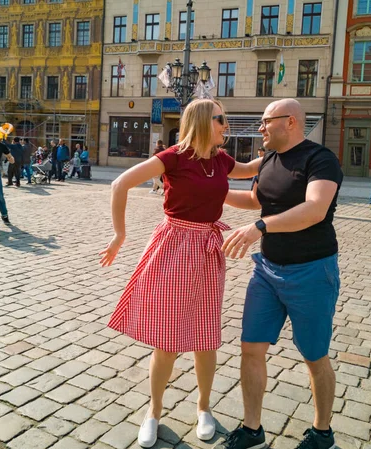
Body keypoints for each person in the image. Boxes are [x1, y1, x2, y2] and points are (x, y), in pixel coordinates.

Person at [100, 99, 261, 448]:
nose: (226, 125)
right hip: (173, 248)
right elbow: (120, 184)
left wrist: (286, 150)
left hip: (206, 251)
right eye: (220, 119)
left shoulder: (220, 160)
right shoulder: (173, 156)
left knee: (206, 335)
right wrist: (119, 234)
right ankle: (154, 412)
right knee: (167, 339)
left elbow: (250, 170)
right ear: (204, 121)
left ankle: (204, 408)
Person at [218, 99, 343, 449]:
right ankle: (253, 428)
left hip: (312, 272)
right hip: (267, 271)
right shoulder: (270, 158)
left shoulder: (320, 160)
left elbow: (315, 210)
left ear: (289, 122)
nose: (260, 128)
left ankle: (322, 432)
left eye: (265, 121)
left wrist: (259, 228)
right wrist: (212, 195)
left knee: (314, 355)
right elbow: (257, 198)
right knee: (250, 348)